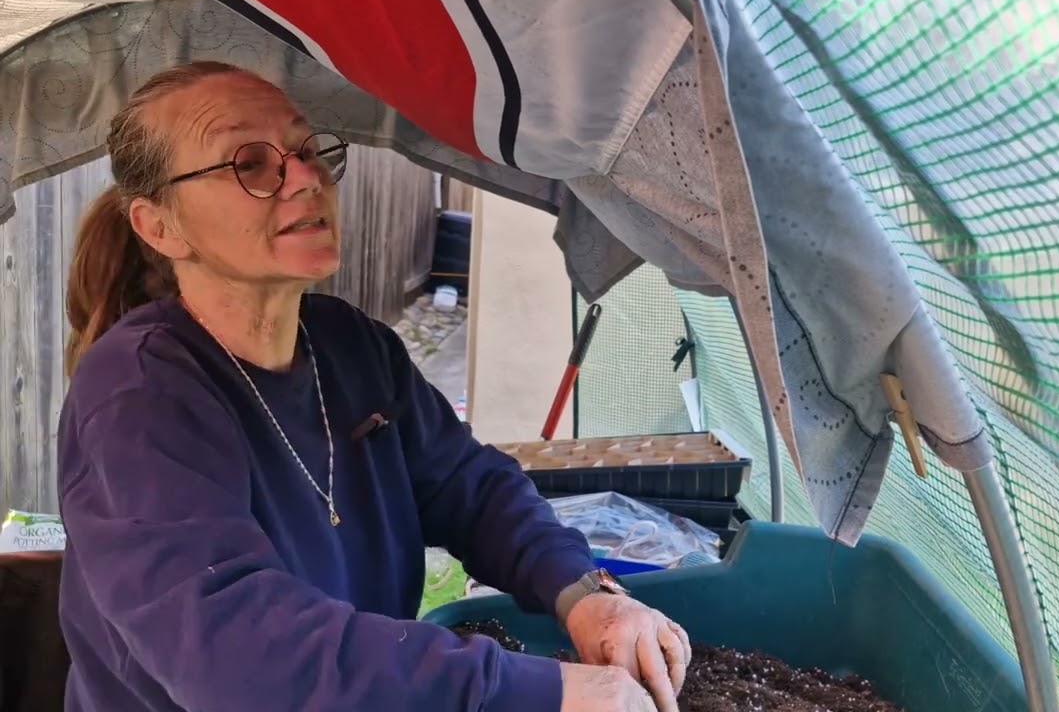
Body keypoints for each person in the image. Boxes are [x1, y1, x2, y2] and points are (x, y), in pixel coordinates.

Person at [55, 61, 690, 712]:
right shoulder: (138, 392)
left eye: (308, 150)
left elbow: (471, 489)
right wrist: (536, 691)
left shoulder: (351, 346)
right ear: (159, 226)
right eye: (249, 162)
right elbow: (238, 654)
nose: (304, 177)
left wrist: (584, 596)